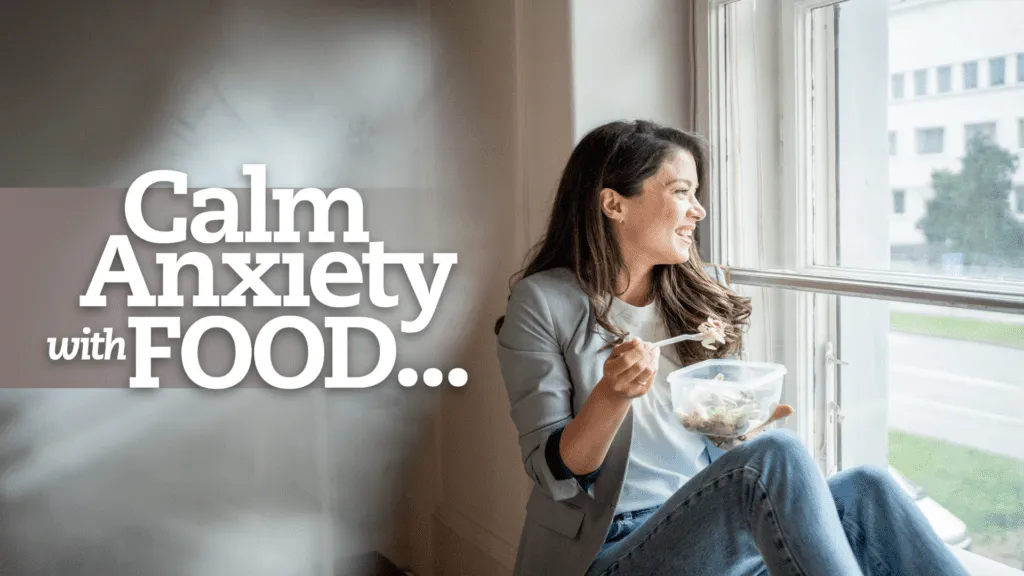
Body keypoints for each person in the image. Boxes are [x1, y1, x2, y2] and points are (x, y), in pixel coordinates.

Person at [493, 119, 969, 576]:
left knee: (868, 487)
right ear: (614, 204)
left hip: (708, 523)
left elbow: (715, 440)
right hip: (610, 547)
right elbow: (554, 472)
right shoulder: (543, 302)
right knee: (775, 454)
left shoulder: (699, 294)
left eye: (696, 193)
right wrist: (612, 395)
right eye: (681, 192)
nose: (698, 210)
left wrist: (736, 425)